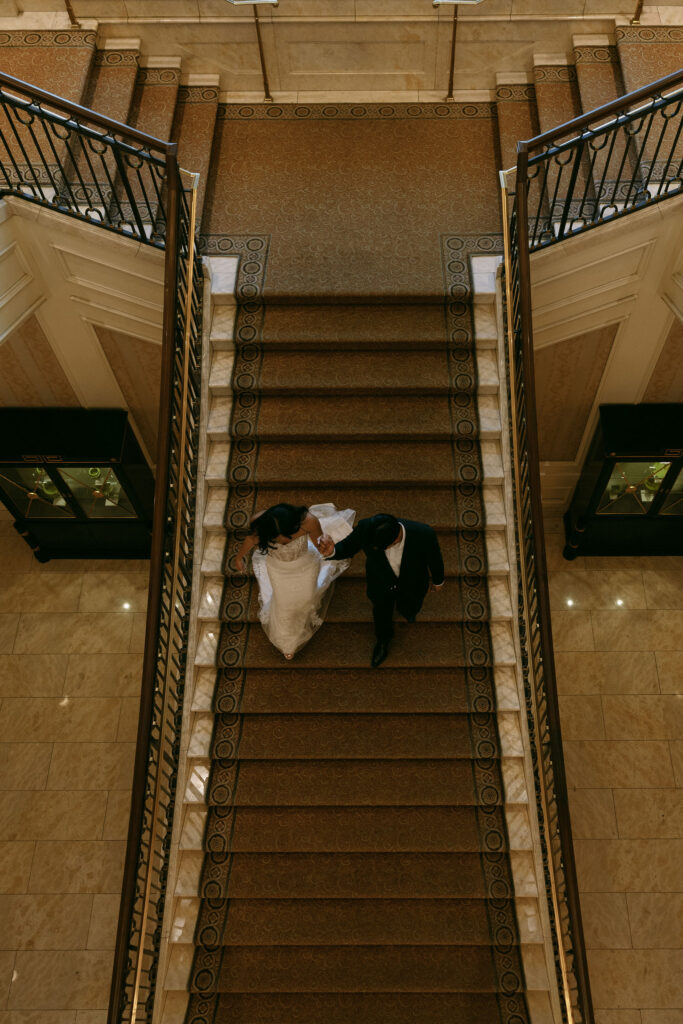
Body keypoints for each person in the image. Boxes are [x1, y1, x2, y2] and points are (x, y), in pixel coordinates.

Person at [319, 513, 444, 667]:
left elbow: (434, 558)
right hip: (380, 583)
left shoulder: (424, 534)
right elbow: (348, 547)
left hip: (413, 582)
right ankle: (383, 641)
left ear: (396, 538)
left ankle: (409, 613)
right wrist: (332, 551)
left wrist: (438, 581)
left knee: (411, 603)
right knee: (381, 613)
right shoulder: (366, 527)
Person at [235, 502, 355, 660]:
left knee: (306, 598)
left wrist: (326, 544)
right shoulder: (260, 521)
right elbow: (251, 540)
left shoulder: (309, 521)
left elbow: (320, 546)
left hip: (306, 566)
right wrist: (239, 558)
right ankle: (288, 641)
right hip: (278, 569)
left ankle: (302, 616)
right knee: (284, 604)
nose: (283, 540)